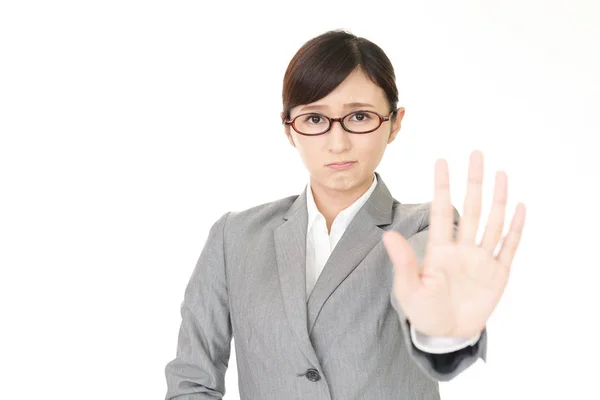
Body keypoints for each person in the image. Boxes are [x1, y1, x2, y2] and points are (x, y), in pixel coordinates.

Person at [164, 29, 526, 400]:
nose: (338, 142)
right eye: (315, 119)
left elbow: (427, 284)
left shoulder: (425, 227)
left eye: (359, 116)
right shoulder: (234, 238)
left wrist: (439, 331)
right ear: (289, 129)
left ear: (394, 123)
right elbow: (193, 380)